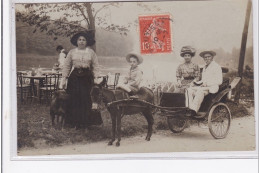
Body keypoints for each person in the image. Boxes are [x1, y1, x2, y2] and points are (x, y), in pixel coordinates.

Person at [60, 31, 99, 129]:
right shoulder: (72, 52)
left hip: (86, 78)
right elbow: (67, 66)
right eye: (79, 40)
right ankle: (73, 122)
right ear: (76, 41)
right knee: (74, 98)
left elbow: (95, 66)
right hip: (75, 78)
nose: (81, 42)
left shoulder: (91, 52)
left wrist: (96, 78)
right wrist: (64, 79)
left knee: (86, 98)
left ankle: (86, 123)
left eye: (84, 40)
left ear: (87, 42)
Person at [187, 50, 223, 116]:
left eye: (208, 57)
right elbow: (204, 80)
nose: (206, 58)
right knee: (189, 90)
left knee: (200, 91)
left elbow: (219, 81)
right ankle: (189, 108)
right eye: (205, 57)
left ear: (212, 57)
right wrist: (195, 83)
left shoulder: (216, 67)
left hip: (212, 87)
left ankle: (194, 111)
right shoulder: (205, 67)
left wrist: (207, 84)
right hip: (204, 87)